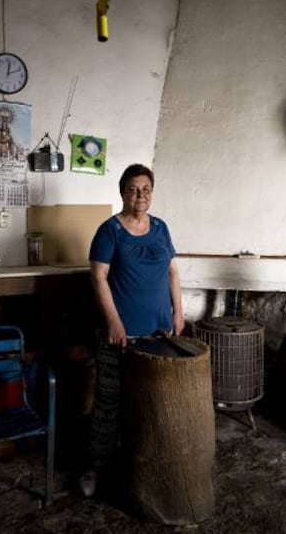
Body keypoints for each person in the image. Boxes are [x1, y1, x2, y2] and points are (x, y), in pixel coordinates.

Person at [79, 163, 184, 497]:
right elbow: (98, 277)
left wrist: (178, 313)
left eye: (146, 189)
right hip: (120, 336)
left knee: (150, 403)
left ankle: (140, 468)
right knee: (109, 404)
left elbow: (172, 273)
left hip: (158, 335)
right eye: (134, 189)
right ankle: (96, 470)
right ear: (123, 192)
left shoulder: (162, 228)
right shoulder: (110, 231)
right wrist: (113, 321)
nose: (141, 195)